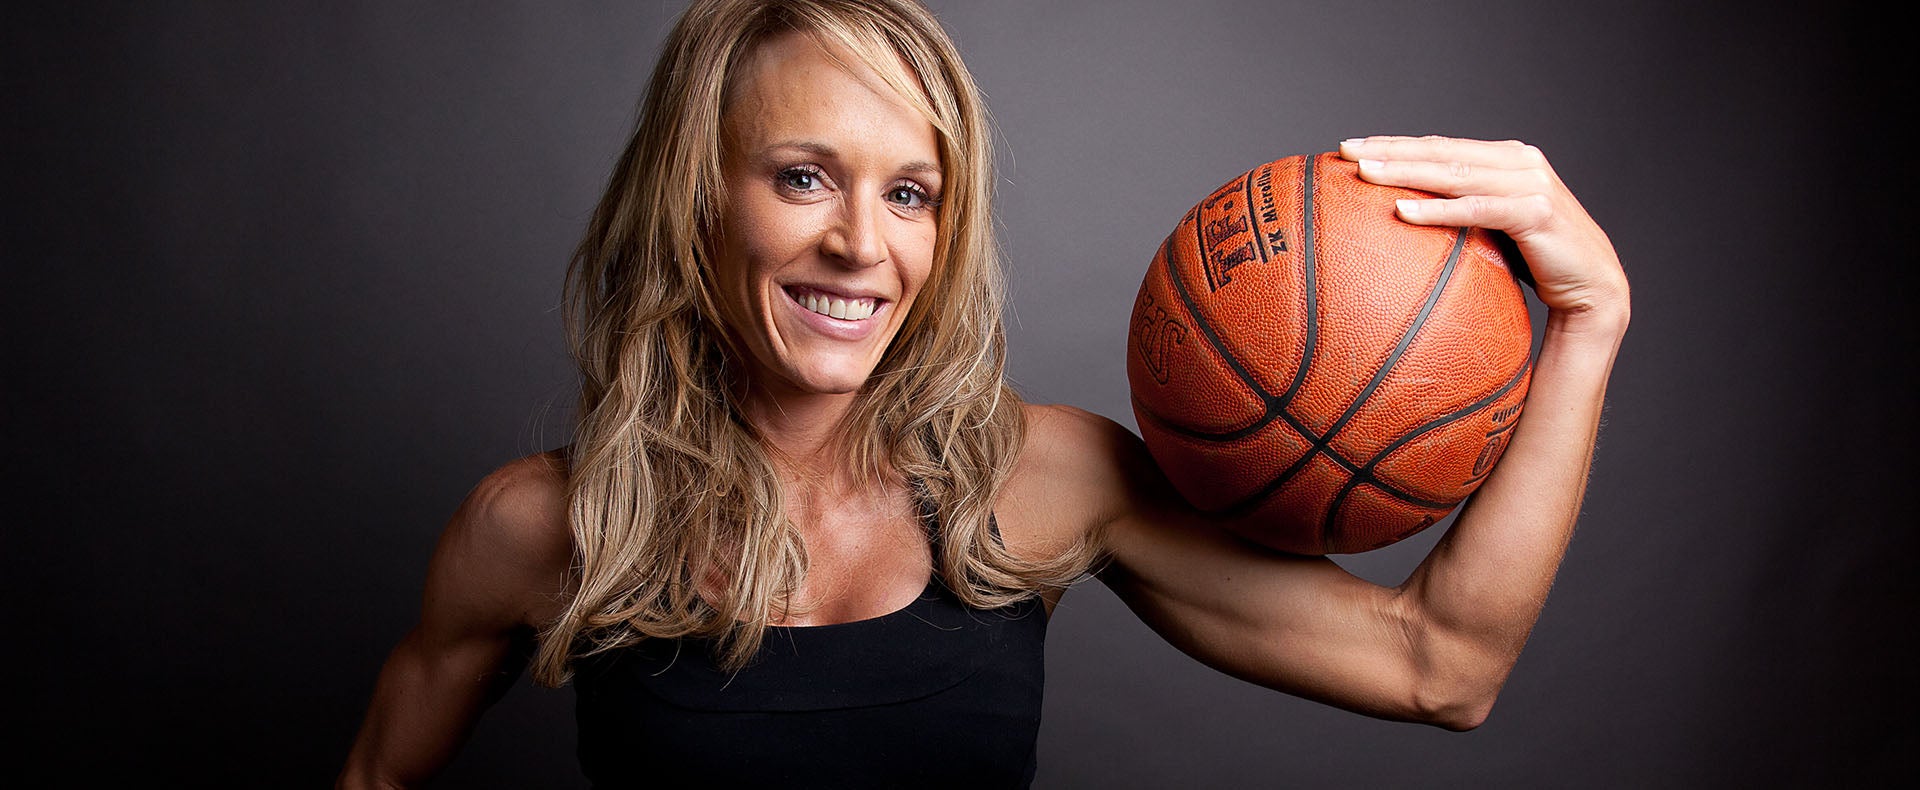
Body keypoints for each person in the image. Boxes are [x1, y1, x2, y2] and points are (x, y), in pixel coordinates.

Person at [337, 0, 1630, 786]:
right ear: (697, 198)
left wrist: (1588, 323)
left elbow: (1440, 665)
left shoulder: (1043, 481)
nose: (862, 242)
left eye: (910, 192)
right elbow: (381, 770)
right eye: (801, 176)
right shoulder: (539, 527)